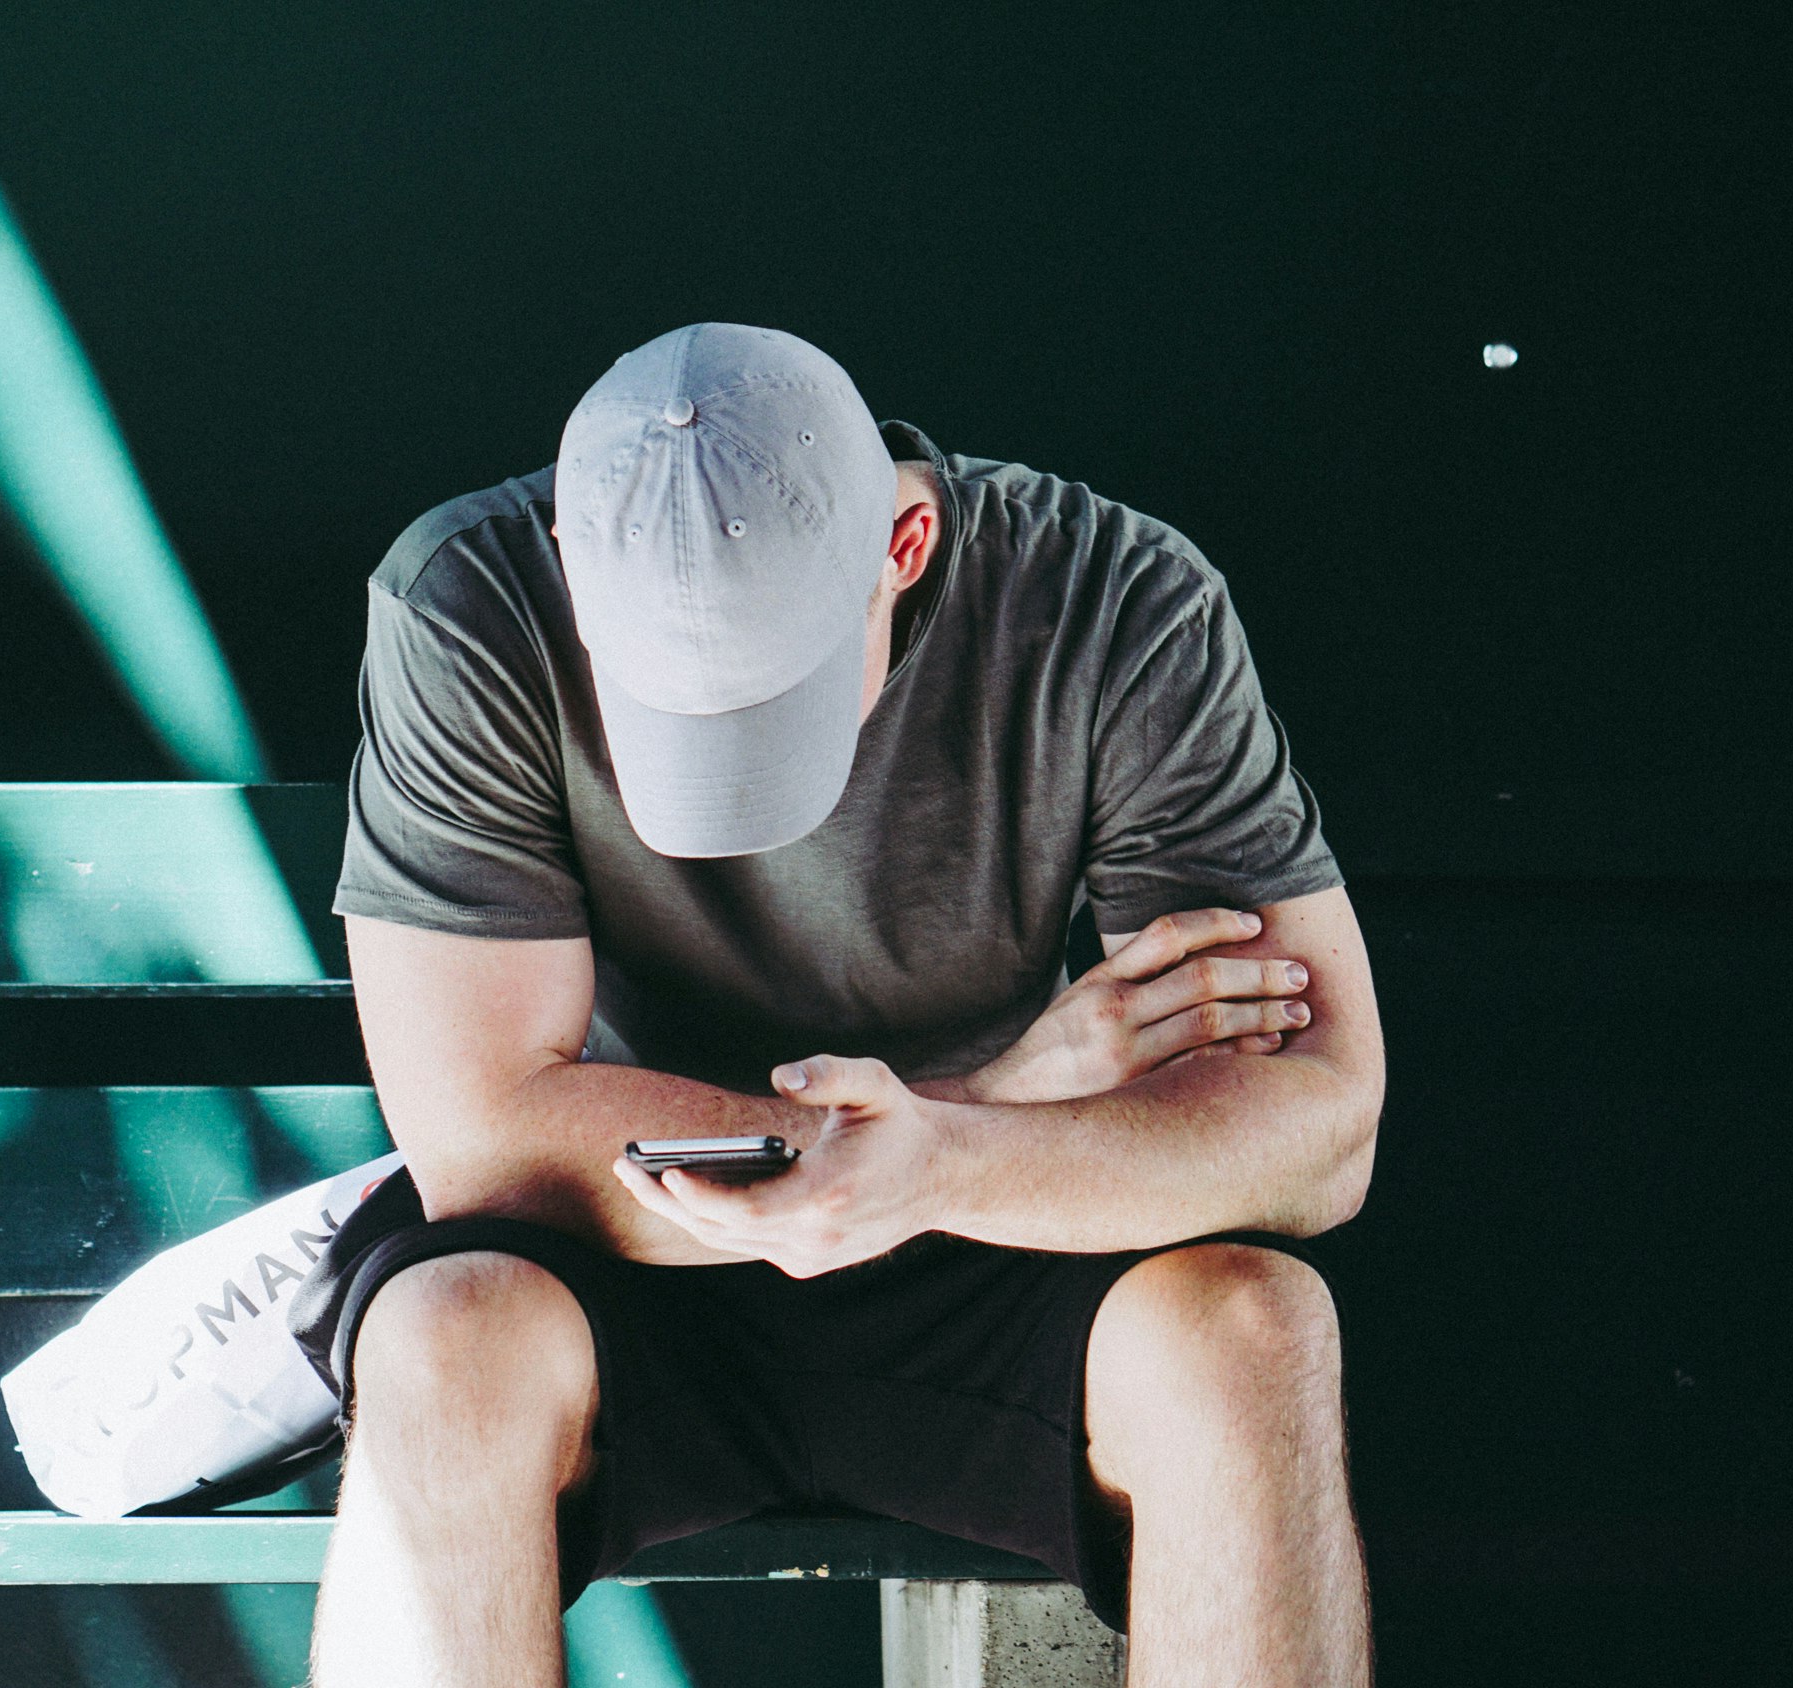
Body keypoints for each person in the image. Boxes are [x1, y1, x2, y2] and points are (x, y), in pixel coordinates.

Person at [291, 322, 1383, 1687]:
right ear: (574, 559)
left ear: (904, 544)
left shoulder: (1114, 597)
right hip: (632, 1246)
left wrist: (953, 1164)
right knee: (441, 1349)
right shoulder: (469, 600)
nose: (726, 771)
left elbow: (1321, 1132)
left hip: (1015, 1231)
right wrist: (959, 1115)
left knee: (1254, 1335)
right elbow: (488, 1142)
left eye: (777, 701)